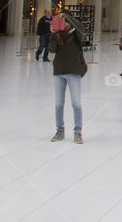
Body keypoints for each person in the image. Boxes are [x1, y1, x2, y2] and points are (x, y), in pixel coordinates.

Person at [49, 12, 87, 144]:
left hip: (74, 71)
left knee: (76, 103)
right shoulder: (57, 35)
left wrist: (66, 17)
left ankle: (78, 131)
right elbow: (52, 50)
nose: (61, 24)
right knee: (58, 103)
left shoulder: (76, 34)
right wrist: (53, 33)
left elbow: (81, 28)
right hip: (59, 71)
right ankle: (59, 130)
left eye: (63, 21)